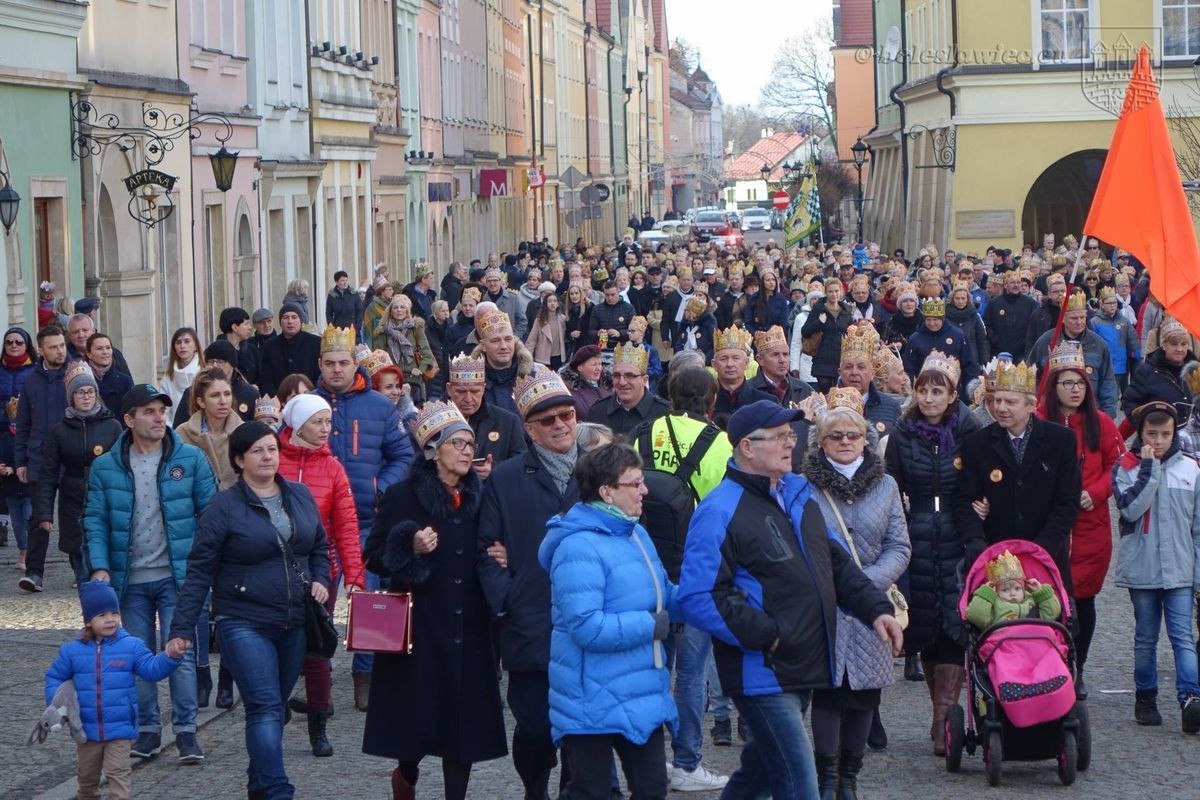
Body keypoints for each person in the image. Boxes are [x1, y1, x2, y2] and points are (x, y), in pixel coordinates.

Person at [678, 400, 903, 799]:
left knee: (759, 774)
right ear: (747, 447)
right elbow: (698, 597)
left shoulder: (797, 494)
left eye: (792, 436)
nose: (792, 445)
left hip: (802, 664)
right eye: (781, 437)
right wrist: (768, 634)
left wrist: (875, 608)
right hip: (762, 671)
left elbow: (835, 563)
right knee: (801, 785)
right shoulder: (718, 510)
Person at [166, 422, 331, 799]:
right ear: (239, 459)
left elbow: (318, 546)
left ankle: (258, 786)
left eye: (272, 449)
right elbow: (200, 570)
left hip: (294, 619)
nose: (267, 456)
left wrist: (320, 577)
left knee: (272, 707)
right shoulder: (223, 507)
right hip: (242, 620)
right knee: (265, 705)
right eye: (257, 450)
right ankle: (278, 791)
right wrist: (180, 630)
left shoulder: (300, 496)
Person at [363, 401, 507, 799]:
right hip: (420, 628)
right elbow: (373, 554)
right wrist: (408, 543)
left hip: (470, 625)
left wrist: (501, 553)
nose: (466, 451)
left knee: (462, 730)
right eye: (457, 443)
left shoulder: (482, 495)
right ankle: (406, 774)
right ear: (432, 448)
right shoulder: (402, 495)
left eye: (470, 443)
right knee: (416, 726)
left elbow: (493, 542)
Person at [83, 384, 218, 764]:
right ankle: (148, 730)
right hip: (129, 579)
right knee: (136, 656)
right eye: (149, 412)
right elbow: (95, 519)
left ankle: (187, 732)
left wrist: (203, 568)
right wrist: (100, 566)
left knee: (181, 654)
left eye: (162, 410)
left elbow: (211, 517)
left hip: (179, 577)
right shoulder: (105, 466)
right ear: (128, 420)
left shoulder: (190, 459)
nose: (159, 417)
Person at [539, 443, 680, 800]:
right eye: (635, 484)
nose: (645, 490)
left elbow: (663, 595)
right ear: (606, 492)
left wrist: (705, 594)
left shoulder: (636, 534)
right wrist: (652, 626)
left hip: (640, 689)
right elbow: (587, 626)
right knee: (592, 792)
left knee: (652, 789)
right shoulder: (578, 548)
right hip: (590, 696)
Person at [476, 368, 582, 800]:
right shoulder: (506, 478)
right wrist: (507, 601)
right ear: (529, 429)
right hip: (529, 624)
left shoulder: (599, 473)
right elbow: (485, 548)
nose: (560, 425)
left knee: (582, 731)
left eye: (567, 415)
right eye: (548, 420)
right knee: (536, 729)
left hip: (585, 626)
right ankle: (535, 788)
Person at [629, 366, 734, 786]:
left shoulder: (642, 432)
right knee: (691, 672)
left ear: (669, 395)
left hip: (646, 565)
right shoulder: (721, 442)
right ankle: (688, 762)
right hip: (697, 568)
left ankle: (648, 760)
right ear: (712, 402)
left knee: (652, 667)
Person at [805, 398, 910, 796]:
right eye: (836, 435)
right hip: (825, 601)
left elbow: (899, 546)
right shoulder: (806, 487)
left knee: (865, 693)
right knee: (829, 693)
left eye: (853, 435)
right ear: (821, 442)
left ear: (866, 441)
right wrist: (837, 584)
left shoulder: (886, 485)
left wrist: (865, 584)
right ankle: (827, 777)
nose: (846, 441)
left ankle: (849, 777)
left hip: (873, 603)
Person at [313, 325, 413, 710]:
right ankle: (317, 674)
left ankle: (366, 674)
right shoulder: (308, 405)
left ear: (355, 363)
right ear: (320, 365)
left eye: (343, 362)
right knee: (317, 601)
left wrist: (379, 488)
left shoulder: (380, 406)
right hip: (319, 525)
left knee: (369, 600)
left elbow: (403, 456)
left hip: (365, 520)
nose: (337, 370)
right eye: (330, 363)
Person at [884, 350, 979, 754]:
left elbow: (980, 476)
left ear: (952, 395)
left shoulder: (969, 430)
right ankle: (939, 712)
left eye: (937, 391)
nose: (929, 398)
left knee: (955, 623)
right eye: (924, 390)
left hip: (958, 530)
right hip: (918, 527)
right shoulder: (904, 432)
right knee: (926, 625)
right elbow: (891, 483)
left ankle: (945, 718)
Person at [276, 393, 365, 756]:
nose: (326, 429)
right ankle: (274, 708)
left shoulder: (333, 468)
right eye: (318, 422)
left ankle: (318, 724)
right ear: (298, 424)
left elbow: (346, 524)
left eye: (328, 422)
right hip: (274, 569)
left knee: (317, 647)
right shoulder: (273, 459)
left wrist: (354, 574)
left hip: (319, 570)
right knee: (278, 643)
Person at [1036, 341, 1124, 692]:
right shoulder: (1040, 421)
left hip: (1090, 526)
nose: (1074, 389)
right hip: (1052, 524)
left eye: (1079, 383)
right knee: (1049, 600)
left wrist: (1098, 492)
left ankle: (1078, 667)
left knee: (1083, 600)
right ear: (1053, 385)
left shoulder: (1100, 422)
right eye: (1067, 382)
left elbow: (1118, 465)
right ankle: (1052, 665)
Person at [46, 581, 185, 800]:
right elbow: (55, 677)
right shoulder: (71, 651)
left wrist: (171, 657)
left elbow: (151, 670)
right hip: (86, 729)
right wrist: (56, 705)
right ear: (88, 621)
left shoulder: (132, 646)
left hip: (120, 728)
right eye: (102, 615)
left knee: (118, 774)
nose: (110, 619)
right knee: (87, 780)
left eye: (114, 613)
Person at [1113, 401, 1200, 732]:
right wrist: (1150, 471)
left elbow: (1198, 528)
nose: (1159, 441)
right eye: (1152, 434)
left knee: (1183, 638)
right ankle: (1146, 696)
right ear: (1141, 433)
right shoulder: (1126, 467)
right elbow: (1131, 510)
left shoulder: (1191, 469)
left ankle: (1191, 698)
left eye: (1165, 434)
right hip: (1143, 570)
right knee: (1146, 637)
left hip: (1180, 569)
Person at [955, 360, 1081, 590]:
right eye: (997, 400)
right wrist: (977, 544)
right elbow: (966, 500)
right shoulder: (977, 444)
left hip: (1046, 553)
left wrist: (1039, 550)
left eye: (1010, 402)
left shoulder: (1061, 441)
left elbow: (1067, 502)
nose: (1001, 408)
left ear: (1031, 406)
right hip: (995, 557)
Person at [30, 362, 122, 588]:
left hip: (105, 499)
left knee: (105, 555)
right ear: (71, 396)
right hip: (72, 500)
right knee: (80, 558)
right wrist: (44, 513)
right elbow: (48, 474)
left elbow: (124, 466)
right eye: (80, 392)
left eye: (90, 391)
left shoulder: (112, 426)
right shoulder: (60, 431)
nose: (86, 396)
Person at [15, 325, 70, 592]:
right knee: (40, 518)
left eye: (62, 345)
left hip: (72, 457)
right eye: (54, 347)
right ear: (41, 350)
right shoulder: (31, 380)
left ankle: (80, 569)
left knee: (75, 517)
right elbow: (22, 424)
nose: (60, 351)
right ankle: (34, 573)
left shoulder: (77, 373)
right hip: (39, 458)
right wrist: (21, 461)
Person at [1027, 291, 1119, 417]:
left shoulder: (1098, 344)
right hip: (1053, 414)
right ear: (1063, 318)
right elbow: (1030, 375)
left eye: (1082, 317)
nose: (1079, 322)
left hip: (1089, 413)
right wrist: (1039, 401)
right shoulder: (1046, 341)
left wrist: (1108, 415)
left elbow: (1108, 382)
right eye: (1074, 318)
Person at [442, 353, 525, 480]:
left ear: (483, 388)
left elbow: (523, 464)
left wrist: (495, 470)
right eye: (461, 391)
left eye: (475, 391)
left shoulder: (508, 422)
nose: (468, 399)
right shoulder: (433, 423)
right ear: (449, 389)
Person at [175, 367, 245, 490]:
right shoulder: (183, 434)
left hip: (236, 505)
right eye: (215, 395)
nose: (223, 401)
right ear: (201, 402)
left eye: (227, 394)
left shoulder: (244, 432)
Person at [901, 298, 980, 403]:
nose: (932, 323)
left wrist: (967, 394)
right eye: (928, 320)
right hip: (925, 394)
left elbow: (969, 365)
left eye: (935, 320)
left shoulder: (958, 336)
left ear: (942, 319)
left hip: (953, 394)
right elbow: (909, 368)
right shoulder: (915, 339)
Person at [586, 342, 669, 438]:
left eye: (630, 376)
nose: (622, 382)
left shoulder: (664, 414)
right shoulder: (597, 412)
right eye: (616, 375)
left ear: (644, 380)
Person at [1122, 319, 1196, 426]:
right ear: (1164, 344)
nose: (1179, 349)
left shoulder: (1195, 371)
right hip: (1160, 438)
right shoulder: (1147, 371)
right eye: (1174, 344)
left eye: (1184, 344)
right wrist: (1147, 426)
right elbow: (1129, 402)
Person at [965, 549, 1062, 629]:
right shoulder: (994, 604)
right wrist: (985, 595)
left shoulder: (1031, 599)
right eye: (1005, 590)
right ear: (996, 591)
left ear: (1024, 588)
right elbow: (977, 616)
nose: (1012, 593)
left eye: (1017, 588)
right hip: (1004, 642)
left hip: (1034, 639)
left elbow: (1052, 614)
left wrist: (1042, 593)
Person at [174, 340, 261, 427]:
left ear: (232, 365)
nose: (215, 366)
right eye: (211, 361)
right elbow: (179, 430)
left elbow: (258, 430)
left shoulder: (250, 394)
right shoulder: (192, 392)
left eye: (220, 362)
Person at [838, 323, 903, 437]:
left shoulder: (891, 407)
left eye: (861, 367)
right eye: (848, 367)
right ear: (840, 372)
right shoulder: (826, 405)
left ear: (872, 373)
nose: (854, 372)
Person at [473, 308, 535, 418]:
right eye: (495, 340)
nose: (503, 346)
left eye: (508, 339)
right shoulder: (470, 382)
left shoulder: (532, 377)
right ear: (483, 345)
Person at [373, 294, 435, 403]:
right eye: (396, 308)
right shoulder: (383, 331)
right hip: (393, 380)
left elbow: (427, 354)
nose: (399, 310)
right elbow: (379, 358)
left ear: (407, 311)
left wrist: (420, 369)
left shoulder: (415, 328)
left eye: (402, 307)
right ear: (391, 311)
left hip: (413, 378)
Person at [711, 327, 775, 429]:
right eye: (723, 359)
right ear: (714, 364)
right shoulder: (705, 402)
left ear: (746, 363)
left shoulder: (767, 402)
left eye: (736, 358)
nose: (730, 364)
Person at [802, 278, 854, 393]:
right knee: (825, 392)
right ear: (826, 292)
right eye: (830, 291)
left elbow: (851, 330)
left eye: (836, 291)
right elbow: (805, 331)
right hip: (822, 358)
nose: (834, 294)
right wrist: (819, 323)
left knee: (839, 391)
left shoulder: (846, 311)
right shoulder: (818, 309)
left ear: (841, 292)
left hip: (840, 358)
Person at [258, 304, 322, 396]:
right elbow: (266, 379)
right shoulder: (270, 346)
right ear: (280, 321)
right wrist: (277, 399)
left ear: (300, 320)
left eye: (294, 317)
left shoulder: (315, 342)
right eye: (285, 317)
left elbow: (319, 375)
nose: (290, 321)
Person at [1090, 287, 1140, 396]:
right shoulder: (1094, 322)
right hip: (1104, 365)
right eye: (1109, 303)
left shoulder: (1124, 321)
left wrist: (1137, 357)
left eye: (1114, 303)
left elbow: (1133, 341)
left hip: (1121, 365)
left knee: (1124, 395)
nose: (1112, 305)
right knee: (1109, 395)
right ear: (1102, 304)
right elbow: (1092, 344)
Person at [749, 325, 813, 407]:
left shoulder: (805, 391)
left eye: (785, 354)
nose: (782, 360)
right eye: (775, 355)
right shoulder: (747, 391)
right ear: (761, 360)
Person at [982, 270, 1038, 362]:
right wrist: (995, 340)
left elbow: (1034, 325)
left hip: (1022, 353)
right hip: (999, 352)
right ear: (1005, 285)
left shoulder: (1030, 303)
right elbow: (987, 324)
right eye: (1012, 282)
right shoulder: (995, 303)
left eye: (1018, 282)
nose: (1016, 285)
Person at [87, 333, 133, 422]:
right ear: (89, 354)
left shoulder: (124, 380)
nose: (105, 352)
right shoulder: (84, 379)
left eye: (108, 348)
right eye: (99, 348)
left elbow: (131, 412)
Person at [560, 343, 610, 419]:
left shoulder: (608, 386)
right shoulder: (570, 392)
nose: (598, 368)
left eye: (600, 364)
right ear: (580, 368)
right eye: (594, 364)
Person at [161, 327, 204, 410]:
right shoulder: (168, 378)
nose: (182, 346)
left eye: (187, 341)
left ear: (195, 346)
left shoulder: (205, 373)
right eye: (178, 342)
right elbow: (165, 409)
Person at [527, 285, 567, 370]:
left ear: (558, 304)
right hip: (543, 358)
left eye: (555, 301)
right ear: (545, 304)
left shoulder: (562, 319)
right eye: (549, 301)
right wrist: (528, 358)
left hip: (558, 357)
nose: (552, 303)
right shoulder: (539, 320)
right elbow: (532, 340)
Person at [673, 294, 717, 363]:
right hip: (684, 361)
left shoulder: (707, 325)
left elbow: (714, 346)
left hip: (702, 363)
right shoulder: (686, 325)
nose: (685, 313)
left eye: (687, 311)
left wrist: (704, 360)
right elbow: (679, 342)